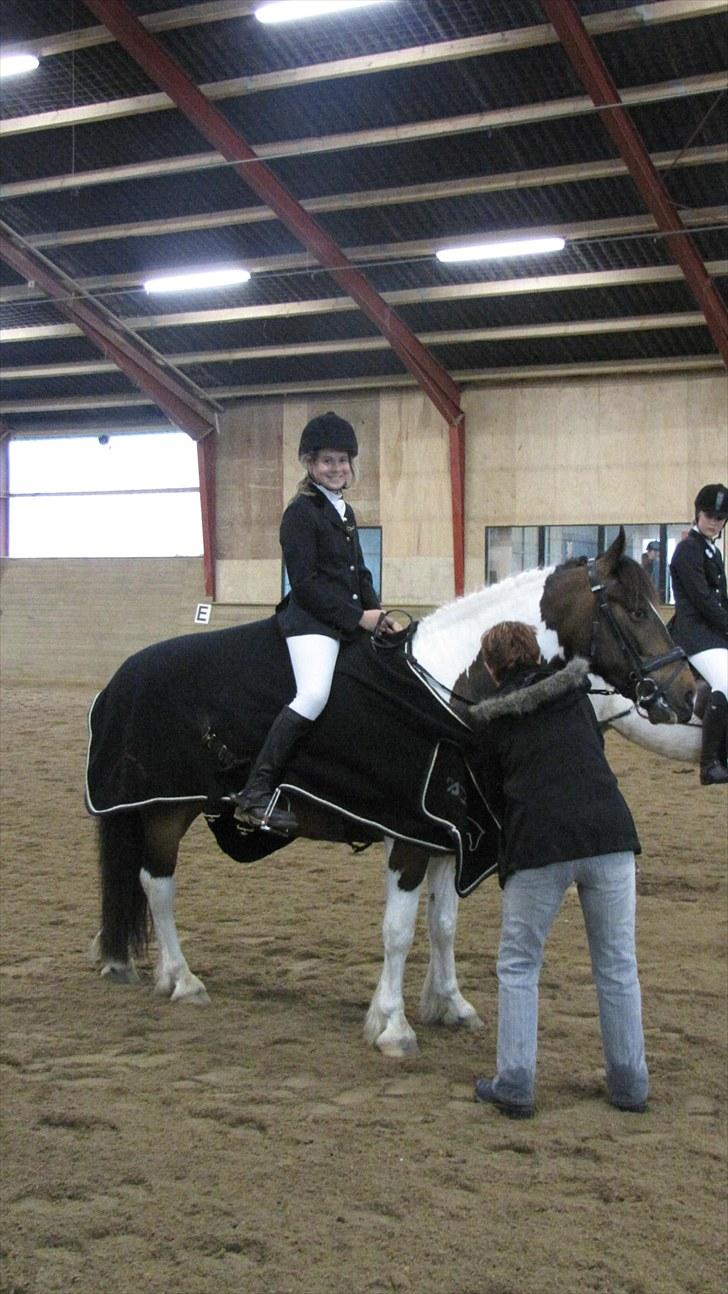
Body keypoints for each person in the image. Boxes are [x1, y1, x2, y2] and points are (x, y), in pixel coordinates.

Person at [471, 620, 648, 1120]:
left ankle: (517, 1083)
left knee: (519, 964)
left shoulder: (492, 721)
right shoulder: (575, 695)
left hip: (539, 845)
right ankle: (630, 1083)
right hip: (609, 834)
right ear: (534, 653)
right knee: (617, 965)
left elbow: (492, 795)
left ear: (491, 667)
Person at [231, 412, 398, 835]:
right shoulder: (300, 514)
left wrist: (377, 616)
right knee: (314, 694)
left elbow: (360, 574)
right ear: (309, 463)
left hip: (348, 619)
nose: (336, 468)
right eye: (327, 461)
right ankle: (255, 792)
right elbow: (305, 584)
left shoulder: (345, 511)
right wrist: (357, 617)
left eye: (342, 461)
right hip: (310, 623)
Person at [669, 483, 728, 786]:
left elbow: (721, 600)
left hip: (713, 633)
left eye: (720, 518)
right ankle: (710, 763)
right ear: (697, 514)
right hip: (694, 634)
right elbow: (704, 601)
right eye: (710, 515)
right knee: (726, 682)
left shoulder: (712, 550)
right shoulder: (687, 550)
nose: (714, 522)